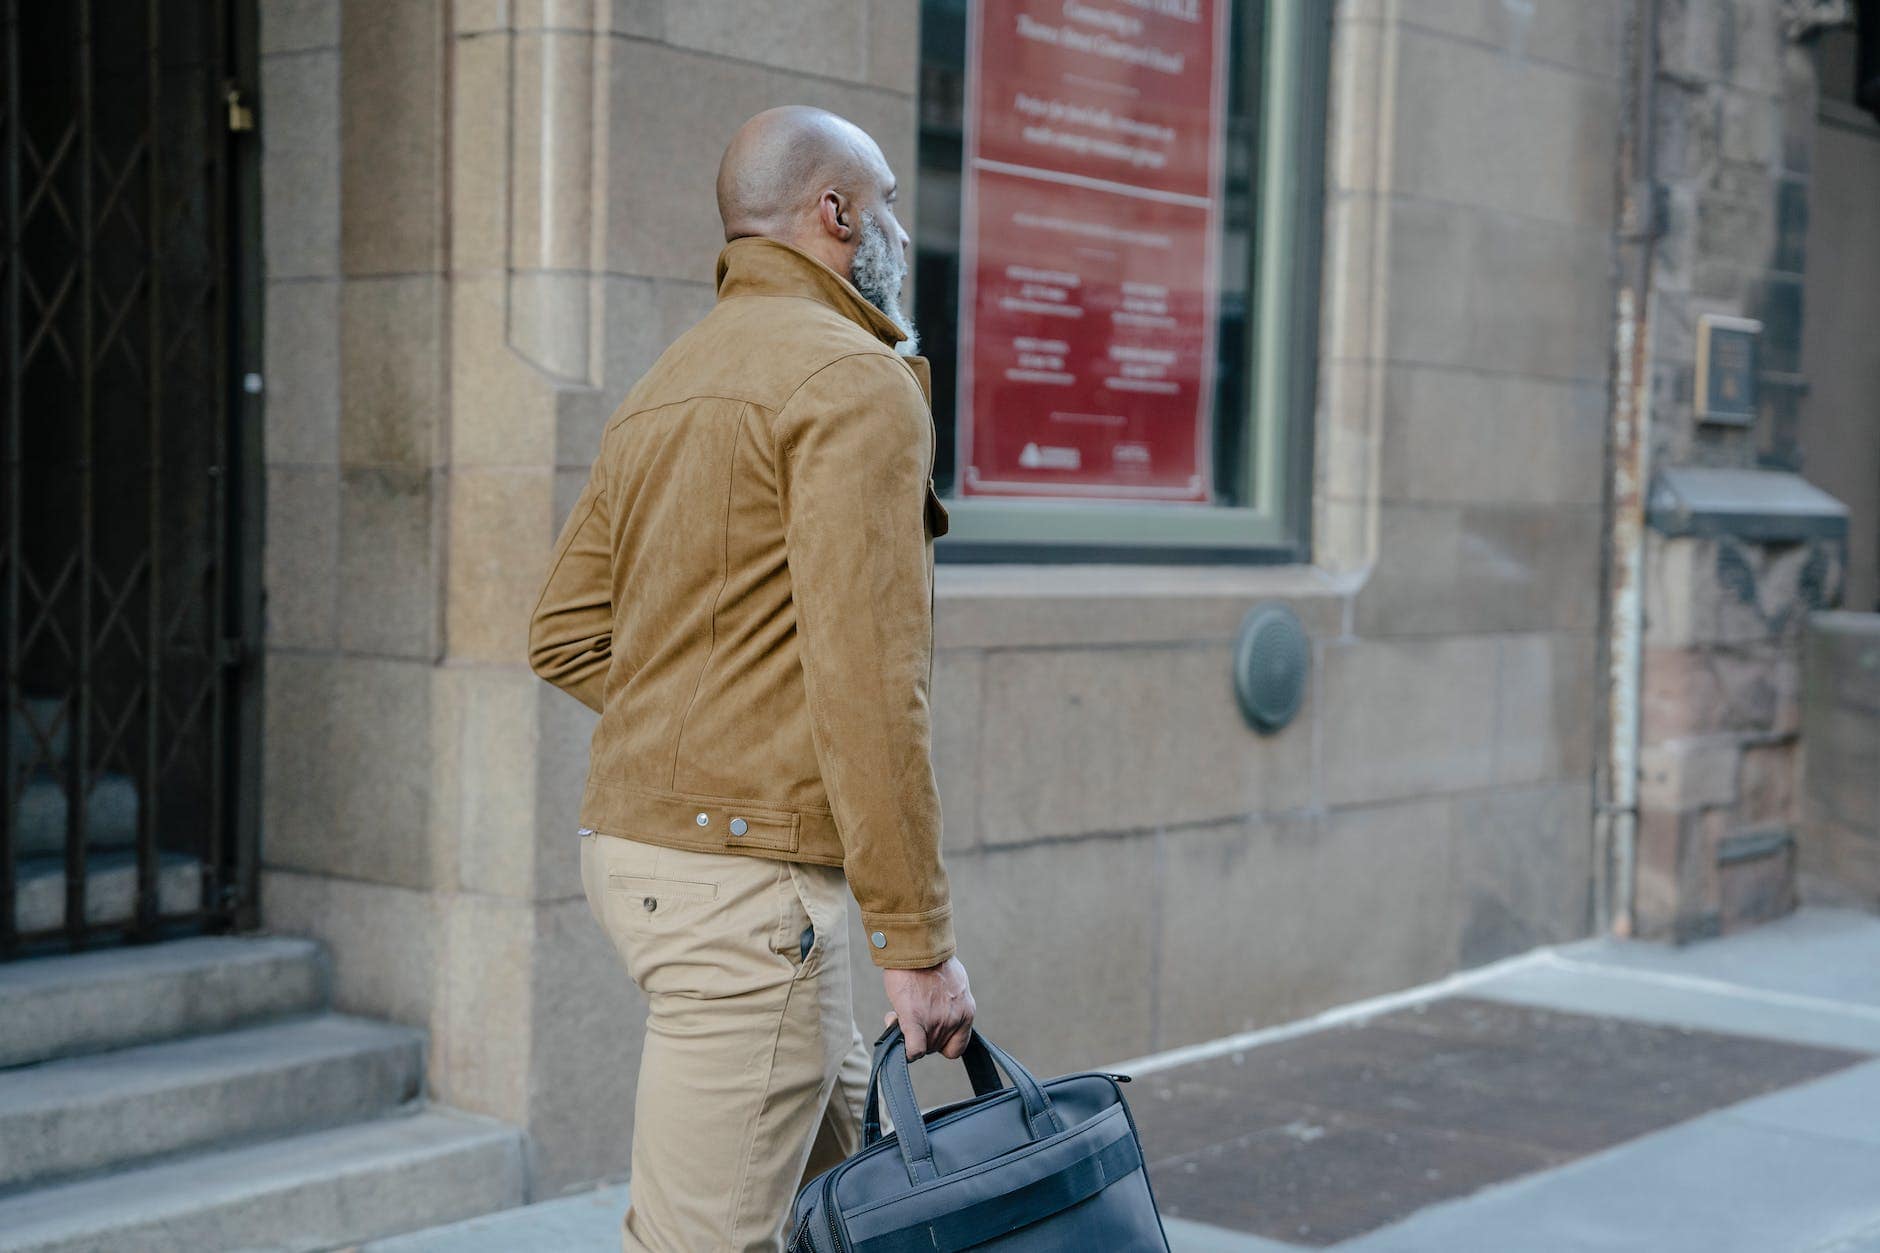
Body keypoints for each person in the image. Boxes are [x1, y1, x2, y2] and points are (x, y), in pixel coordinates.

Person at [526, 105, 976, 1252]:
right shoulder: (855, 379)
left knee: (863, 1211)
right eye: (884, 202)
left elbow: (566, 631)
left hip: (645, 861)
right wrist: (915, 946)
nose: (898, 234)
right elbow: (868, 686)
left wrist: (708, 718)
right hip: (743, 894)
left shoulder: (664, 384)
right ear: (833, 215)